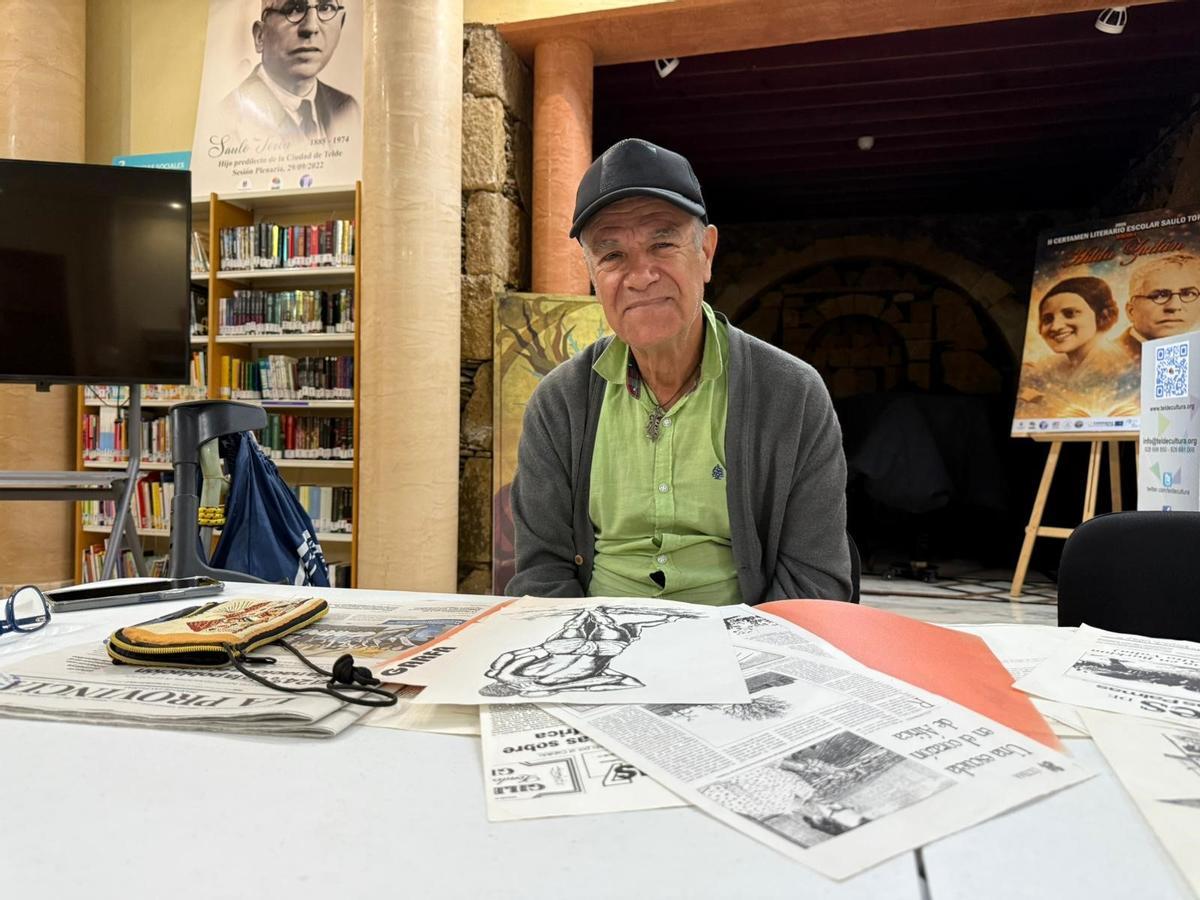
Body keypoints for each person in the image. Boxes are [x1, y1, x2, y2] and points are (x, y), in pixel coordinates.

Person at [506, 138, 852, 605]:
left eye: (662, 243)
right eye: (612, 255)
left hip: (740, 648)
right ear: (592, 272)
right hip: (598, 650)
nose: (640, 275)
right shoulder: (559, 403)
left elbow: (815, 582)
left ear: (706, 252)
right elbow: (542, 573)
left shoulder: (793, 394)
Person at [220, 1, 359, 143]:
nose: (311, 27)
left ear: (341, 24)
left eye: (325, 8)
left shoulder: (347, 110)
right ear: (260, 36)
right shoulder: (226, 120)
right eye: (294, 9)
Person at [479, 607, 680, 697]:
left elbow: (594, 681)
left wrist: (621, 679)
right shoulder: (505, 674)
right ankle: (587, 615)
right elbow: (509, 657)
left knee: (612, 630)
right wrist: (537, 650)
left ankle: (597, 618)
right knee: (577, 628)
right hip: (562, 650)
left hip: (595, 655)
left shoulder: (542, 687)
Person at [1016, 276, 1137, 419]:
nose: (1056, 326)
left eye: (1070, 314)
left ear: (1102, 316)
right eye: (1048, 319)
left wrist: (1039, 399)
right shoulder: (1048, 367)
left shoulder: (1118, 365)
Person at [1118, 254, 1200, 365]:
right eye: (1159, 296)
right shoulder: (1106, 361)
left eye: (1188, 294)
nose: (1174, 306)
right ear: (1131, 311)